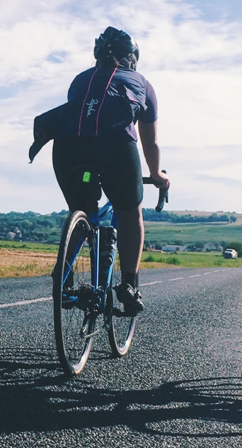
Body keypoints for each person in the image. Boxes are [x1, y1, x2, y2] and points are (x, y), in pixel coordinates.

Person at [31, 26, 169, 316]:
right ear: (133, 57)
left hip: (68, 150)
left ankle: (63, 274)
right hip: (116, 149)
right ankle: (129, 286)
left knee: (81, 209)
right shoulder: (141, 82)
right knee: (131, 213)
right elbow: (151, 143)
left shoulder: (82, 79)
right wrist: (157, 175)